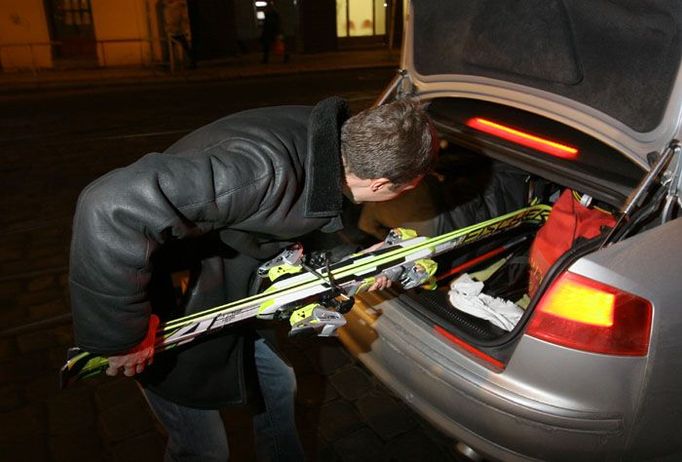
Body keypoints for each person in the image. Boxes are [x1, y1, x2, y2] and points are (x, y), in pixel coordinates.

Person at [68, 97, 438, 461]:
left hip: (231, 291)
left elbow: (300, 220)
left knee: (277, 386)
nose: (407, 196)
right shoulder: (262, 168)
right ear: (380, 184)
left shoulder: (331, 151)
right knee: (204, 449)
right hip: (172, 314)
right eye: (407, 189)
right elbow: (109, 204)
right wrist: (120, 336)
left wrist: (355, 260)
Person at [163, 0, 196, 69]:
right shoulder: (169, 7)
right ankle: (190, 62)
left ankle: (190, 62)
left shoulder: (176, 6)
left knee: (183, 46)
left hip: (177, 30)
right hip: (175, 30)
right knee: (183, 47)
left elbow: (182, 18)